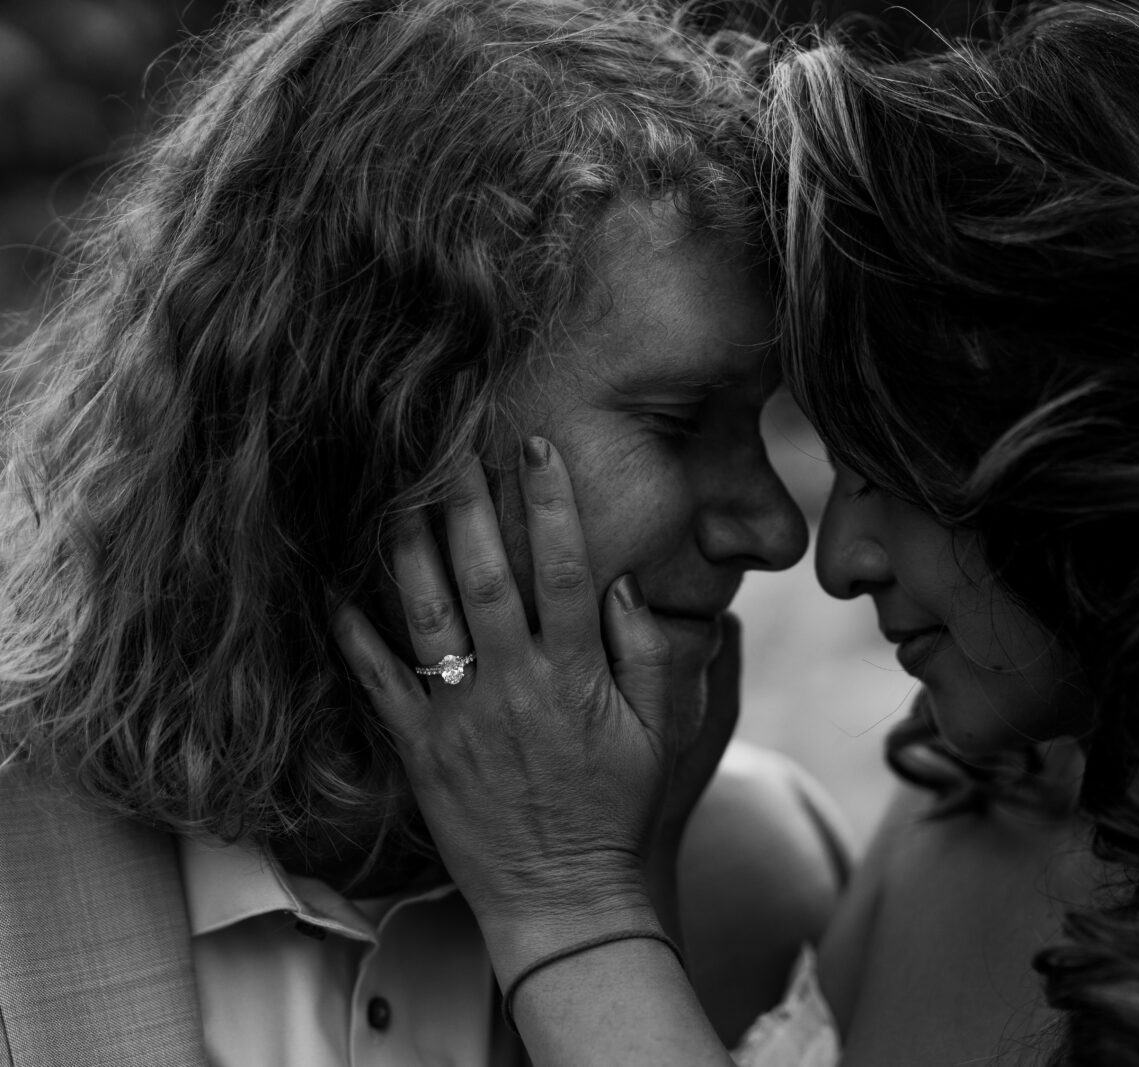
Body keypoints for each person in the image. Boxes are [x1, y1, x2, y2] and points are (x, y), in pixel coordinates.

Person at [336, 1, 1139, 1065]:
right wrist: (643, 855)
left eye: (897, 474)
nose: (833, 560)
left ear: (1133, 463)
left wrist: (571, 904)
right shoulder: (955, 814)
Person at [0, 0, 849, 1062]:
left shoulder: (761, 877)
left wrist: (620, 896)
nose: (773, 531)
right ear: (386, 421)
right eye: (679, 423)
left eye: (763, 424)